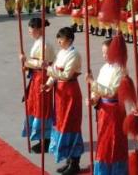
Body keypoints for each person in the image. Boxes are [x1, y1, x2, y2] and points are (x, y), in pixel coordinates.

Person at [43, 27, 84, 174]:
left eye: (62, 39)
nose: (59, 41)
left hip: (70, 91)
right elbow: (55, 71)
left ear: (70, 40)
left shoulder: (74, 55)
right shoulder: (61, 53)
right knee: (61, 123)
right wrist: (47, 84)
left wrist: (48, 69)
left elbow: (66, 75)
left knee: (71, 124)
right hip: (60, 92)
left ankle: (75, 162)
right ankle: (68, 160)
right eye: (58, 39)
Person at [85, 39, 128, 175]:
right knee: (103, 142)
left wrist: (92, 82)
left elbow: (111, 91)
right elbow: (98, 88)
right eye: (103, 52)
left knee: (113, 142)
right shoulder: (104, 68)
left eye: (106, 52)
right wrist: (93, 98)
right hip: (103, 109)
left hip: (114, 111)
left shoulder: (121, 69)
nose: (104, 55)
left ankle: (115, 171)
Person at [19, 18, 56, 153]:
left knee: (42, 107)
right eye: (29, 29)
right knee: (35, 106)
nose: (30, 32)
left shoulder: (45, 44)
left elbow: (43, 64)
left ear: (40, 29)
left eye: (32, 29)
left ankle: (45, 140)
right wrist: (28, 67)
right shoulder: (39, 42)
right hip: (37, 77)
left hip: (43, 78)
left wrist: (26, 62)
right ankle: (40, 138)